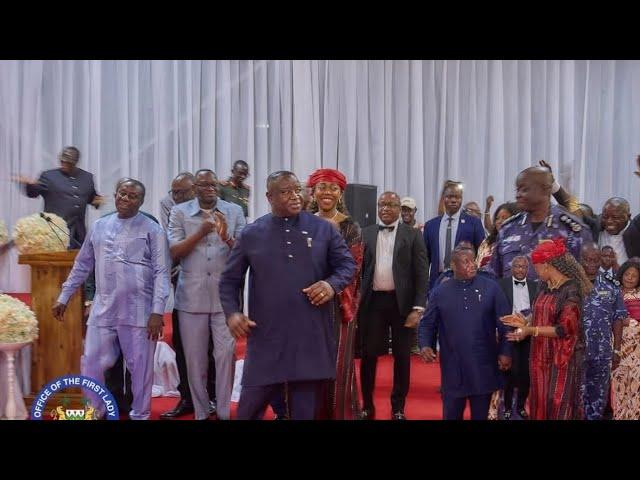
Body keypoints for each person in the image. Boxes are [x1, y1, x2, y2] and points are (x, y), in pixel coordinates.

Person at [219, 171, 356, 420]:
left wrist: (330, 284)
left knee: (303, 412)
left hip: (309, 336)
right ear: (269, 197)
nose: (295, 196)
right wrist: (232, 313)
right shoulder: (252, 234)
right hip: (267, 338)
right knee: (248, 409)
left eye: (297, 190)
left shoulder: (324, 229)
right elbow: (229, 280)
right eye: (285, 192)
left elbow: (347, 266)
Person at [52, 179, 170, 420]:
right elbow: (82, 264)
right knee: (91, 362)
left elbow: (162, 272)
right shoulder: (99, 226)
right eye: (122, 194)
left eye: (132, 196)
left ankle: (140, 414)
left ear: (141, 201)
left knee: (141, 370)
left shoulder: (152, 229)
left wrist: (158, 311)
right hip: (103, 309)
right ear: (115, 195)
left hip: (139, 313)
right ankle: (96, 409)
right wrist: (64, 296)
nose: (126, 199)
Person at [168, 169, 245, 421]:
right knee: (194, 360)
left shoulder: (233, 211)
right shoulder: (179, 212)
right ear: (194, 188)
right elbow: (174, 251)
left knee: (225, 357)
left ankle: (223, 412)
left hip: (225, 299)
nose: (209, 188)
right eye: (203, 185)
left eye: (213, 184)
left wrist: (227, 237)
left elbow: (245, 252)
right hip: (191, 297)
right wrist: (200, 232)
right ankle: (201, 412)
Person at [418, 246, 512, 420]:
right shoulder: (440, 292)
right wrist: (425, 346)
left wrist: (506, 351)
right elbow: (427, 324)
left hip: (483, 366)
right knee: (451, 414)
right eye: (465, 261)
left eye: (473, 260)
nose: (472, 265)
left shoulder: (491, 288)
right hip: (453, 368)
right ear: (453, 265)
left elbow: (506, 323)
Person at [358, 191, 429, 420]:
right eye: (382, 204)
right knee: (369, 355)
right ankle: (367, 405)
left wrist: (418, 308)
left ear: (400, 209)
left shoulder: (413, 234)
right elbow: (358, 271)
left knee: (402, 357)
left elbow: (421, 273)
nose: (386, 208)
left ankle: (398, 407)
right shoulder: (366, 233)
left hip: (403, 305)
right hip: (373, 303)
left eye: (391, 205)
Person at [502, 237, 590, 420]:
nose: (535, 272)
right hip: (539, 356)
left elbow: (563, 329)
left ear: (548, 265)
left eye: (537, 267)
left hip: (561, 358)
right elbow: (539, 313)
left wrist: (531, 330)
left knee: (558, 404)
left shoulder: (571, 290)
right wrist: (524, 321)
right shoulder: (545, 286)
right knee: (539, 401)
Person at [159, 172, 218, 419]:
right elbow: (174, 250)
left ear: (195, 190)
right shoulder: (172, 209)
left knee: (213, 347)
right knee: (184, 346)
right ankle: (188, 397)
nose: (176, 197)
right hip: (183, 284)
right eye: (174, 192)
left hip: (214, 289)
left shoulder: (219, 208)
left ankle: (212, 397)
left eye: (181, 192)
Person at [308, 168, 364, 420]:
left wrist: (328, 287)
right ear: (314, 191)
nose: (327, 192)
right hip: (306, 302)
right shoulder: (302, 221)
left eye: (333, 188)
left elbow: (353, 268)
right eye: (322, 187)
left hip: (339, 305)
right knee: (307, 360)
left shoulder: (350, 227)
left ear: (340, 193)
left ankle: (339, 413)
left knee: (338, 362)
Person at [488, 166, 592, 281]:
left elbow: (585, 282)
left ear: (545, 189)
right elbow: (493, 275)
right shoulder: (508, 229)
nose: (518, 195)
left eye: (524, 189)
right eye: (517, 190)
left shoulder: (572, 231)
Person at [13, 146, 103, 246]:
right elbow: (33, 193)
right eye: (62, 161)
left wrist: (97, 202)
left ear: (75, 162)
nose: (64, 164)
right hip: (55, 232)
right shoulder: (49, 176)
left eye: (68, 162)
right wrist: (29, 184)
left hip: (79, 233)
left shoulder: (87, 177)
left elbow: (92, 198)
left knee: (79, 261)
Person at [579, 243, 626, 420]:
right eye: (587, 259)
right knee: (576, 398)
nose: (591, 263)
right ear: (580, 259)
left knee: (598, 398)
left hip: (602, 352)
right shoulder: (571, 284)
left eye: (595, 260)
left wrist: (617, 349)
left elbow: (618, 319)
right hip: (576, 351)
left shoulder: (611, 285)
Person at [497, 255, 538, 420]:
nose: (520, 270)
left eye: (523, 267)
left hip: (529, 334)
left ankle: (521, 406)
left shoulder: (536, 286)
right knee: (509, 373)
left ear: (528, 269)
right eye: (517, 266)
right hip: (508, 333)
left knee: (525, 374)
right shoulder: (502, 284)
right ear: (511, 268)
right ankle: (507, 407)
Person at [424, 181, 485, 290]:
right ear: (443, 198)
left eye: (457, 197)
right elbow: (425, 259)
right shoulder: (430, 225)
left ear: (461, 199)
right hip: (437, 281)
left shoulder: (473, 223)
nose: (453, 200)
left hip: (466, 281)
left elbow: (481, 254)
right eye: (450, 197)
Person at [611, 260, 640, 419]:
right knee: (620, 387)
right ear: (621, 275)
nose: (629, 278)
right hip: (618, 348)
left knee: (636, 389)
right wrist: (621, 320)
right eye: (627, 274)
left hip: (637, 351)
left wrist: (632, 321)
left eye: (634, 276)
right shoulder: (613, 293)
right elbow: (605, 316)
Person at [476, 202, 520, 269]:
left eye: (504, 218)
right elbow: (477, 264)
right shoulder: (487, 242)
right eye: (497, 218)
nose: (499, 221)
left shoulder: (519, 243)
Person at [598, 197, 640, 264]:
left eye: (615, 217)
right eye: (605, 217)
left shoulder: (636, 231)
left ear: (628, 217)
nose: (609, 221)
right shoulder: (596, 228)